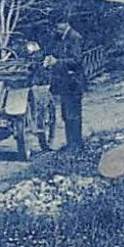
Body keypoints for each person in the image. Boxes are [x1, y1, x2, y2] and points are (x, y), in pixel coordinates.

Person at [45, 21, 87, 150]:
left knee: (72, 114)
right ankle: (71, 144)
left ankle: (75, 145)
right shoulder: (63, 37)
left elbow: (76, 61)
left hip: (73, 82)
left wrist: (57, 62)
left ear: (65, 24)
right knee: (66, 114)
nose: (56, 30)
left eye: (58, 27)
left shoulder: (74, 37)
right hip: (66, 83)